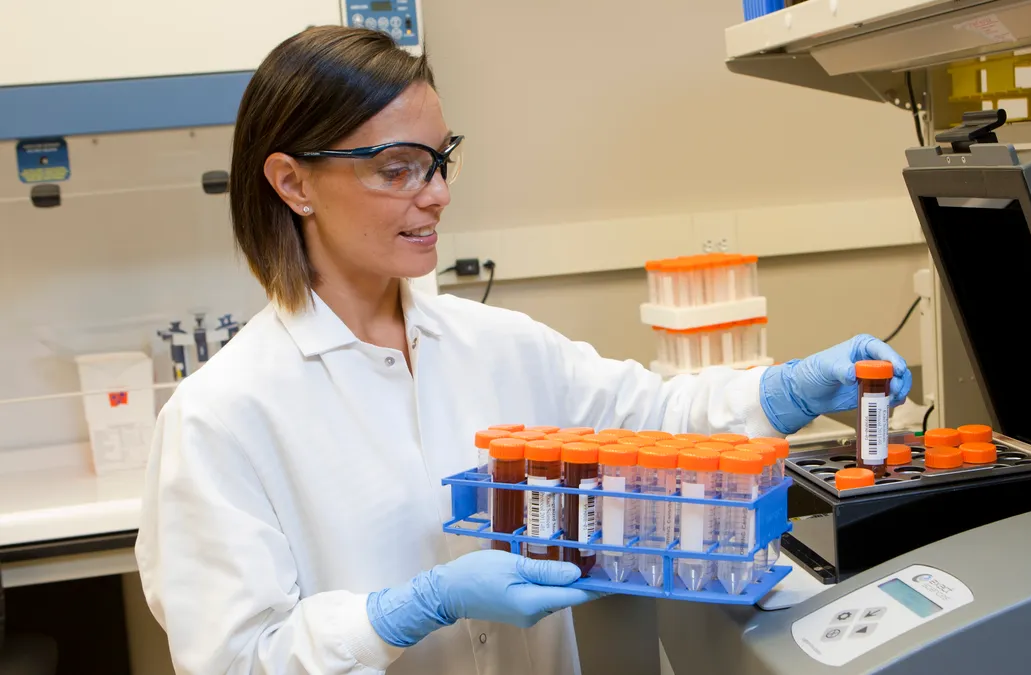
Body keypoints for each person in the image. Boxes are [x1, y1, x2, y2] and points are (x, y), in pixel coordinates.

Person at [134, 25, 912, 675]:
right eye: (396, 167)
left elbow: (649, 418)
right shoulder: (221, 416)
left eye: (441, 159)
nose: (436, 192)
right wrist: (406, 611)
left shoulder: (495, 344)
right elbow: (237, 659)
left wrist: (788, 389)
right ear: (292, 183)